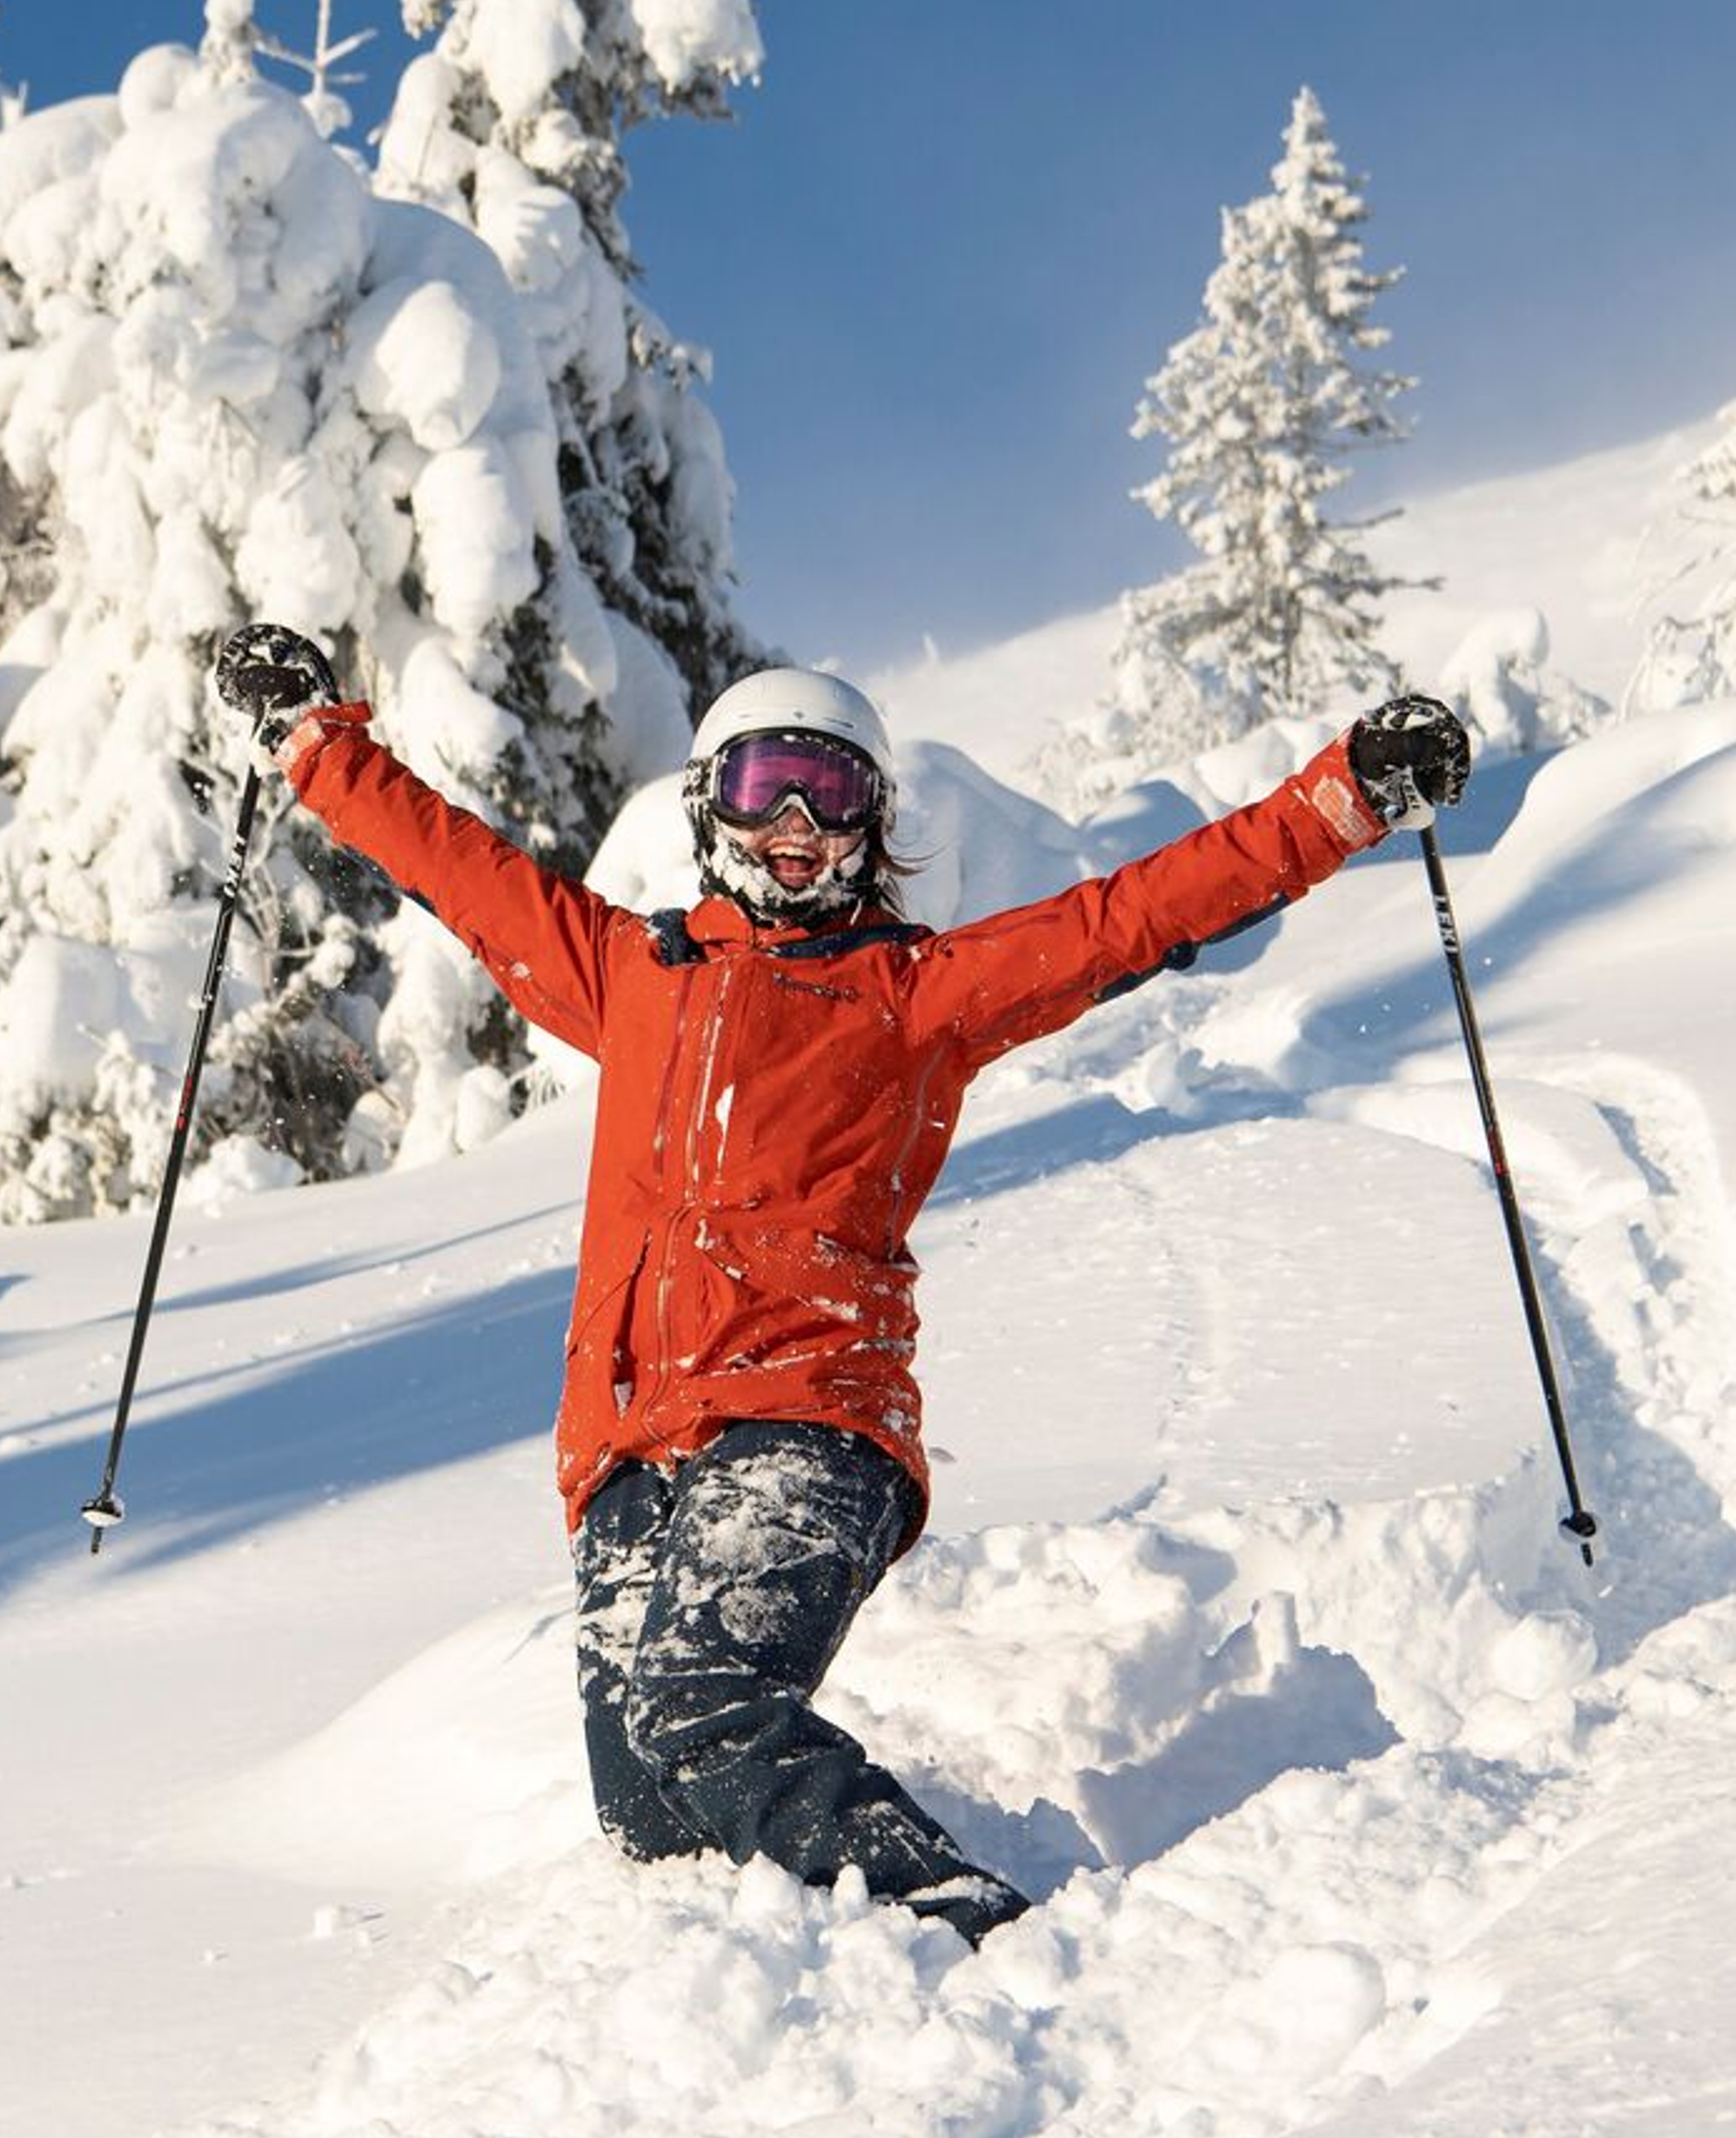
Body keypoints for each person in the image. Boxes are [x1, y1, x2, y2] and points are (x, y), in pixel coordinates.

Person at [217, 625, 1470, 1944]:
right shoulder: (627, 977)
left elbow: (1138, 912)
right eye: (766, 789)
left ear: (876, 822)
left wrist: (1344, 799)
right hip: (627, 1450)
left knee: (702, 1702)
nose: (799, 823)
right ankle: (815, 1974)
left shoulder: (916, 995)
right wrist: (312, 741)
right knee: (652, 1804)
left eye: (834, 791)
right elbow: (449, 862)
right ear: (712, 809)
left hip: (813, 1422)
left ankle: (974, 1925)